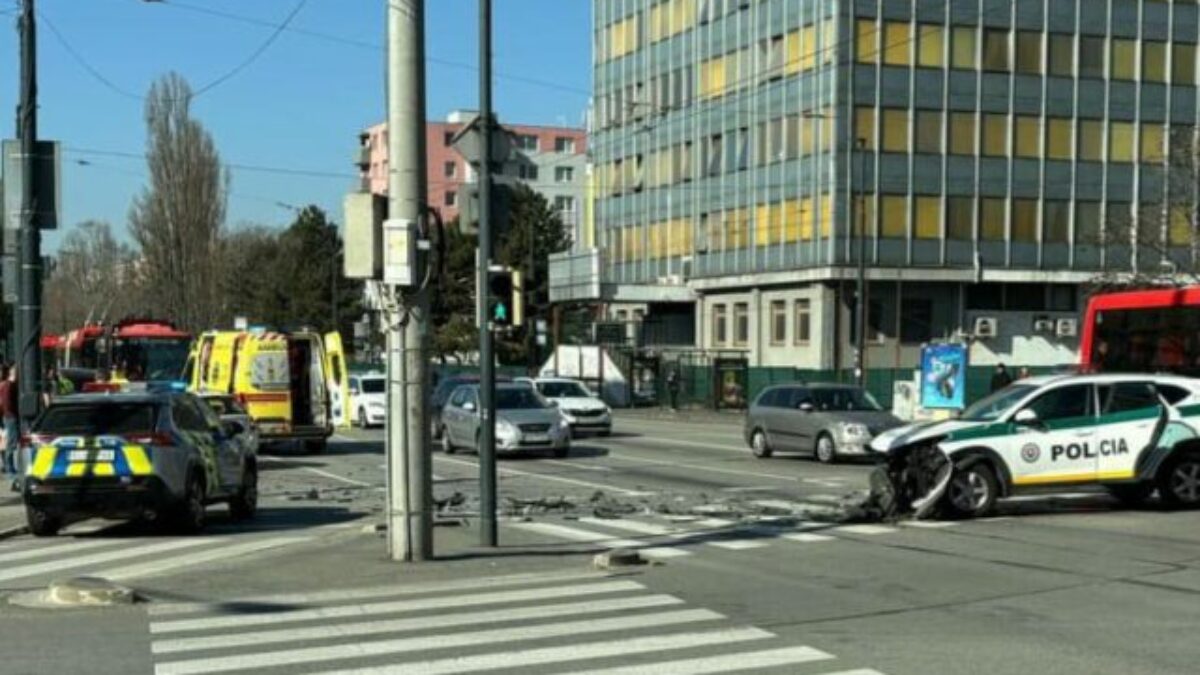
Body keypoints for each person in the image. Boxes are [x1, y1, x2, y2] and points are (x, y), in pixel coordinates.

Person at [0, 365, 19, 478]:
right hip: (8, 416)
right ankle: (9, 467)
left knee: (6, 441)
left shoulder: (5, 385)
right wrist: (11, 414)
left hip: (5, 416)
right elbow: (7, 403)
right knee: (11, 441)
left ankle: (8, 466)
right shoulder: (8, 385)